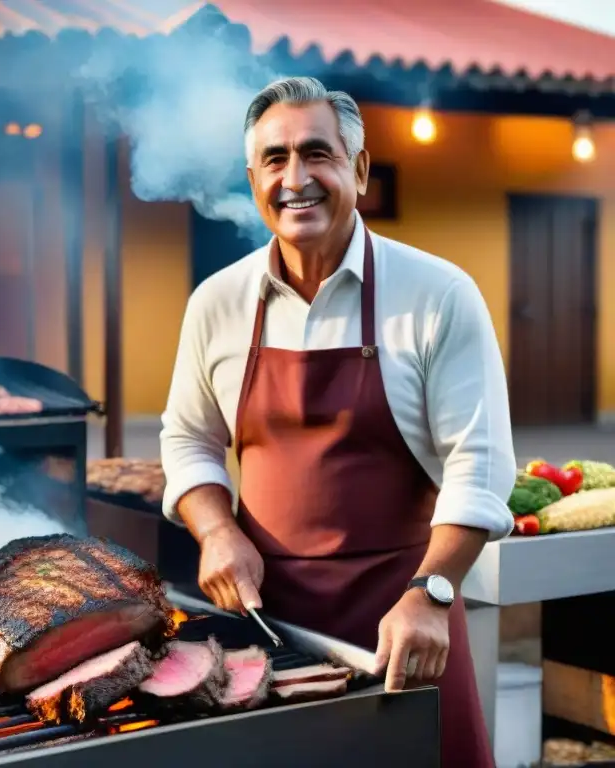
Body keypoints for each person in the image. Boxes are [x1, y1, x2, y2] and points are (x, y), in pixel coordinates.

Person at [159, 76, 515, 767]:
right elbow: (188, 437)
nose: (296, 179)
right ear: (252, 177)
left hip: (407, 617)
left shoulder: (439, 294)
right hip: (270, 623)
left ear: (358, 167)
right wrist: (217, 529)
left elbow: (481, 462)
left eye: (317, 154)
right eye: (275, 158)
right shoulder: (217, 303)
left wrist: (433, 592)